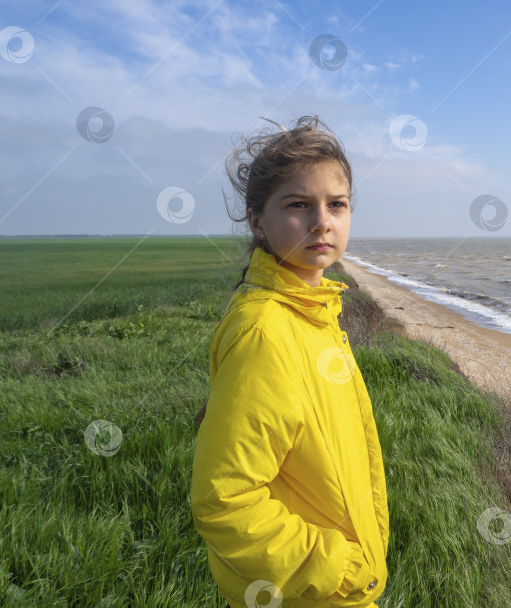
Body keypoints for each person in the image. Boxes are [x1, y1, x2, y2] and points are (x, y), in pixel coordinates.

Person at [190, 116, 389, 608]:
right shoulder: (266, 330)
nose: (322, 220)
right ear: (257, 221)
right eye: (299, 204)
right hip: (310, 594)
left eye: (336, 204)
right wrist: (340, 568)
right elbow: (224, 500)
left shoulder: (316, 312)